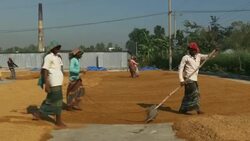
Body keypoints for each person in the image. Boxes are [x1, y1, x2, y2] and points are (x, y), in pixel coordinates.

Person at [178, 42, 216, 115]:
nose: (195, 52)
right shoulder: (186, 57)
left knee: (188, 95)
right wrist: (181, 80)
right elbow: (180, 69)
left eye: (195, 50)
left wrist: (214, 52)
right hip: (188, 79)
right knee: (195, 93)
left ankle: (183, 109)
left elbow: (208, 57)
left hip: (194, 79)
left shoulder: (198, 56)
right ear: (190, 50)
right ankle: (197, 110)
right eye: (193, 50)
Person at [33, 45, 66, 127]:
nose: (58, 49)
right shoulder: (48, 57)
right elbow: (45, 70)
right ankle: (58, 120)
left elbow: (60, 68)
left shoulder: (58, 57)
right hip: (53, 82)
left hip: (58, 82)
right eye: (56, 48)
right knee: (58, 100)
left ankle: (39, 113)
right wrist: (47, 83)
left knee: (51, 99)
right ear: (52, 48)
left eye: (59, 48)